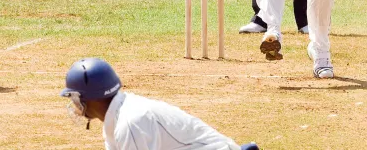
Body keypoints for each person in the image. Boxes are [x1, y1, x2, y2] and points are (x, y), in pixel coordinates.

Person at [60, 58, 260, 150]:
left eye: (75, 97)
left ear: (93, 97)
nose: (74, 104)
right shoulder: (115, 121)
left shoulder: (130, 123)